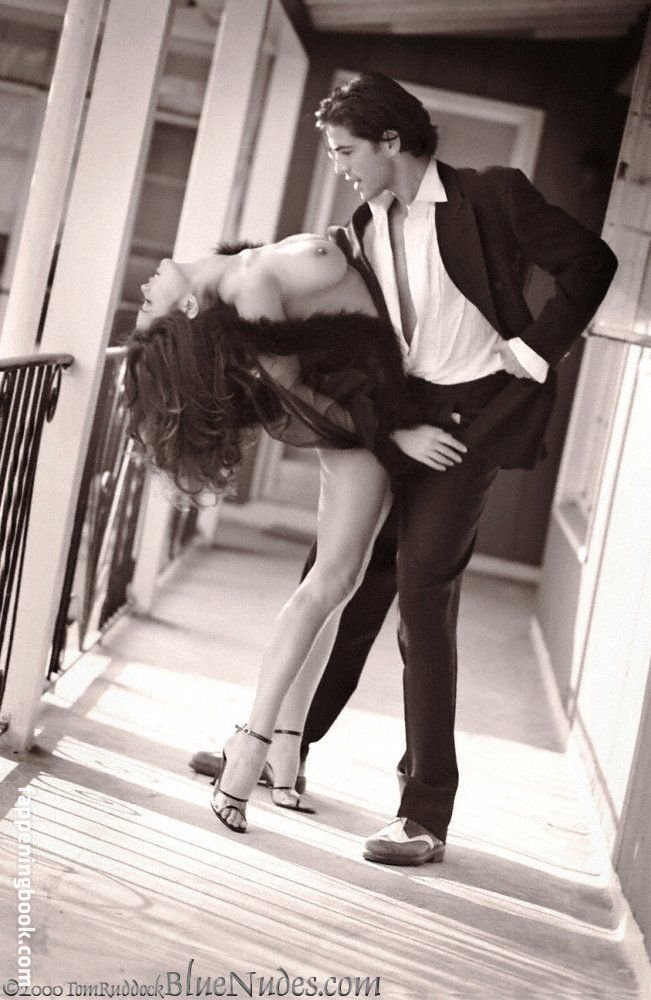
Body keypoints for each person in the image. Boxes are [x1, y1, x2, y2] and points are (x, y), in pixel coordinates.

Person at [191, 72, 617, 865]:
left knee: (422, 594)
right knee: (337, 579)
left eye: (345, 150)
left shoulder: (492, 195)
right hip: (397, 421)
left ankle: (423, 813)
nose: (338, 167)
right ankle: (284, 743)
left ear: (391, 140)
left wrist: (532, 350)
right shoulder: (360, 226)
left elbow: (591, 262)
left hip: (470, 424)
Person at [125, 234, 465, 834]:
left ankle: (284, 746)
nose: (144, 289)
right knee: (330, 584)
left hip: (367, 411)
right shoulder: (249, 284)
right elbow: (302, 394)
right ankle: (251, 743)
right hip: (361, 426)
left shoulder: (241, 272)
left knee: (336, 585)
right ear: (187, 308)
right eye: (149, 307)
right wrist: (394, 433)